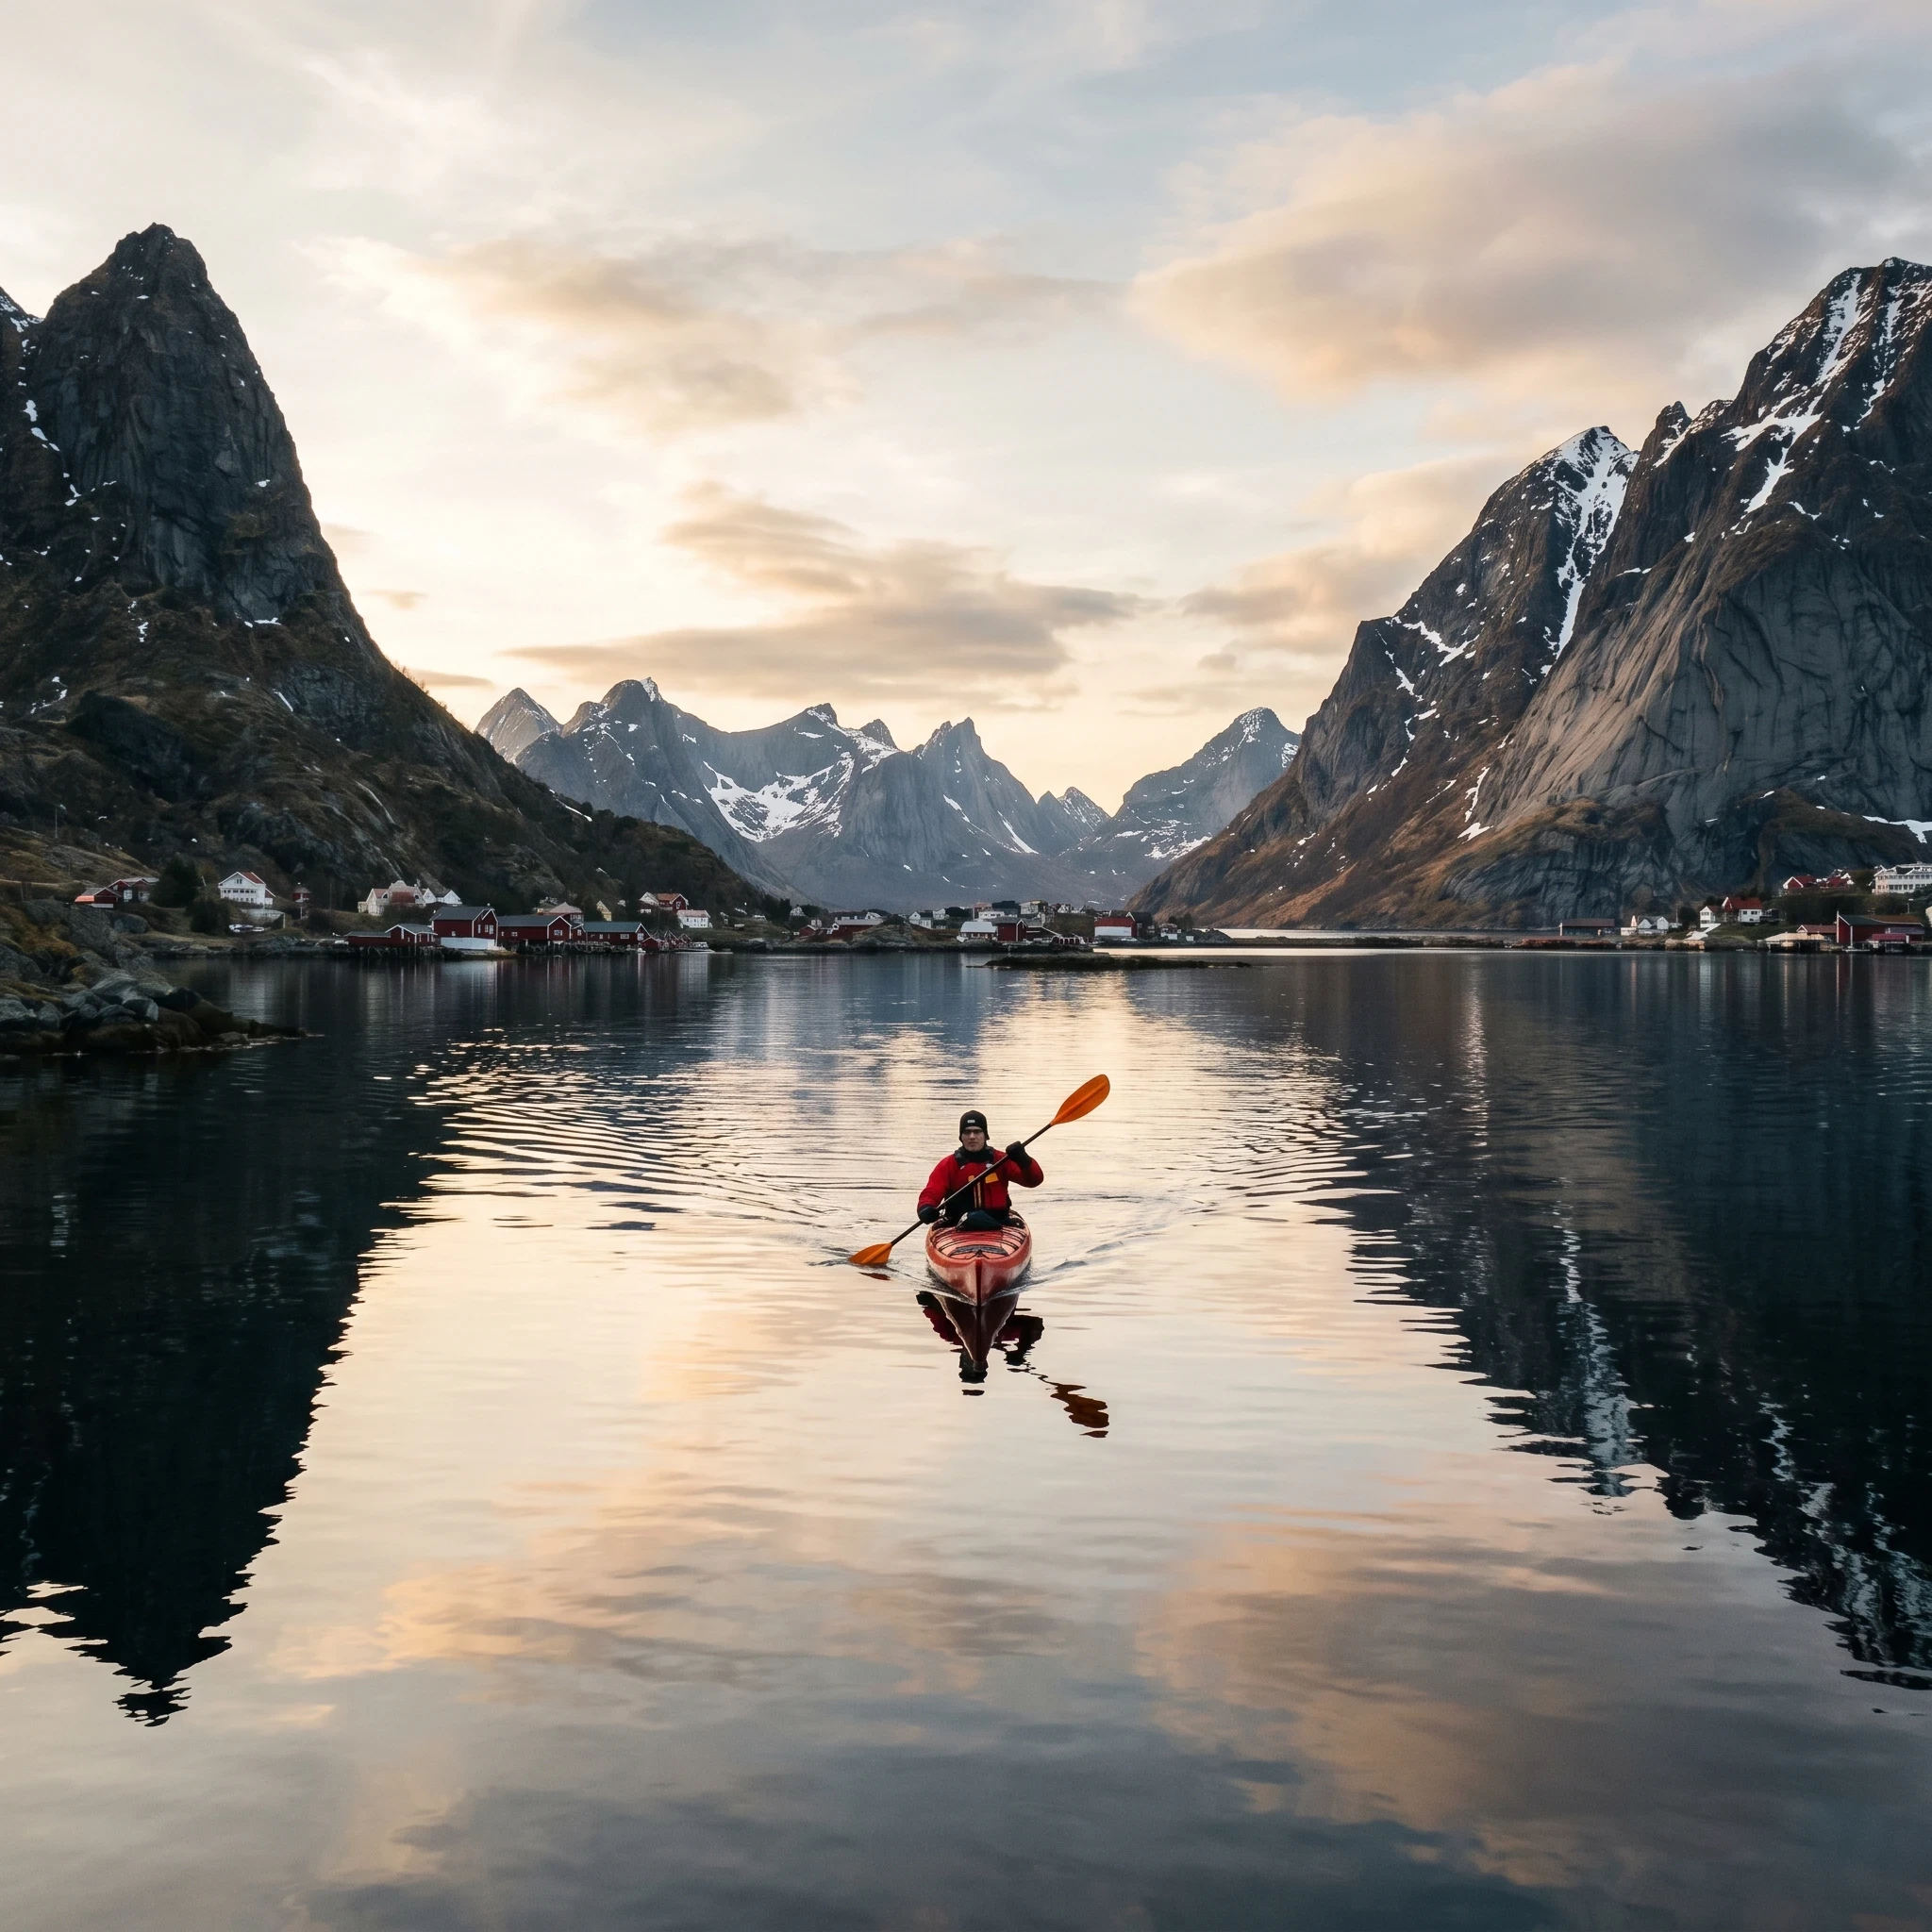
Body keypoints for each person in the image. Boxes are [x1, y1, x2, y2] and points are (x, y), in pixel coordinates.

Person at [917, 1109, 1042, 1232]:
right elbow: (931, 1192)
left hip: (999, 1222)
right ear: (961, 1137)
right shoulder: (948, 1165)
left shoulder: (1002, 1160)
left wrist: (1023, 1159)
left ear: (985, 1135)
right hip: (957, 1224)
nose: (972, 1137)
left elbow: (1034, 1180)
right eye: (967, 1132)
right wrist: (926, 1208)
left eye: (977, 1132)